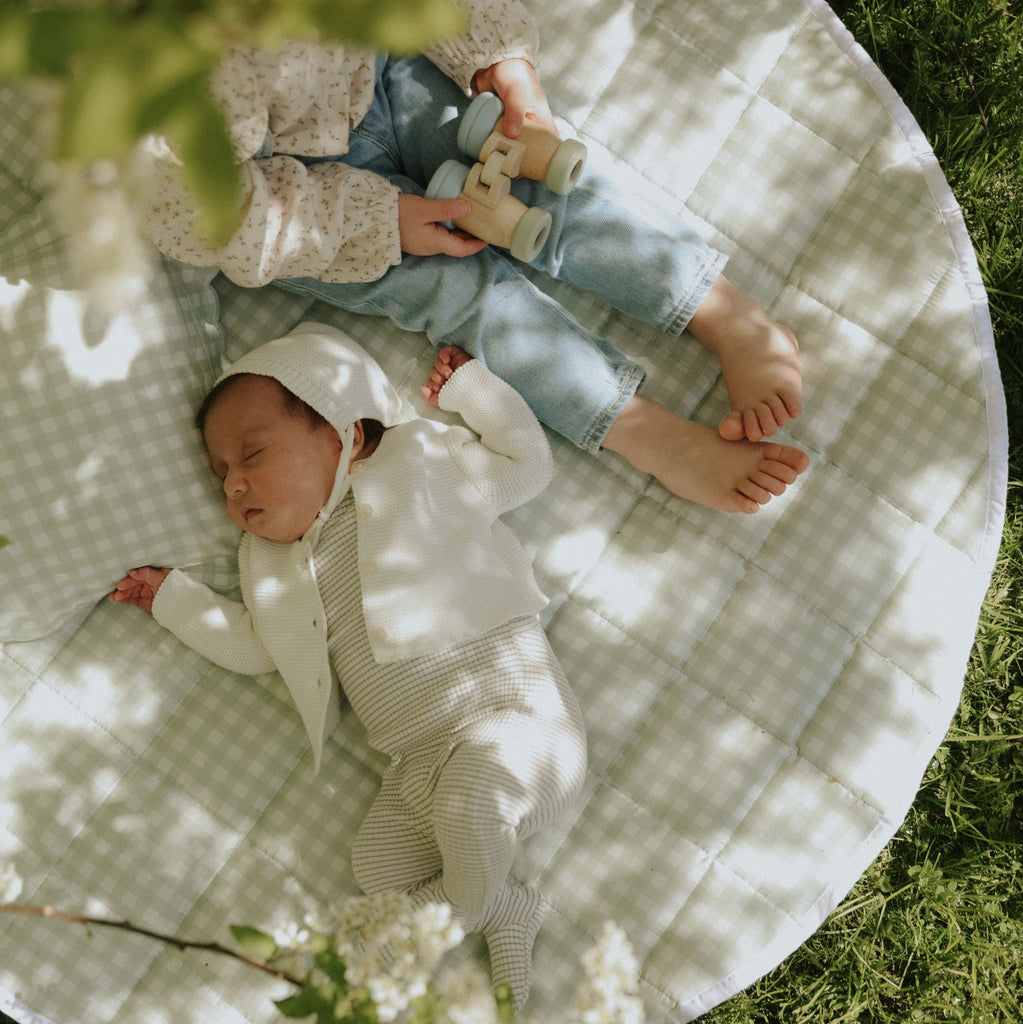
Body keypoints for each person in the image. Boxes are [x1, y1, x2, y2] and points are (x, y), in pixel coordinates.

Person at [140, 0, 809, 514]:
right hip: (305, 199)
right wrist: (383, 222)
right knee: (460, 293)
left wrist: (502, 66)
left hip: (383, 63)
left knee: (537, 180)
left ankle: (720, 310)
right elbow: (200, 210)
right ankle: (639, 428)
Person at [110, 323, 587, 1008]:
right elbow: (253, 646)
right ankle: (500, 908)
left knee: (471, 800)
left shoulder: (419, 466)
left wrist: (475, 392)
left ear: (346, 433)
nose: (234, 484)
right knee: (377, 866)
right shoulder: (271, 563)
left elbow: (525, 465)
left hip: (516, 724)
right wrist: (174, 601)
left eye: (251, 454)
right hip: (418, 763)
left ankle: (439, 950)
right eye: (221, 475)